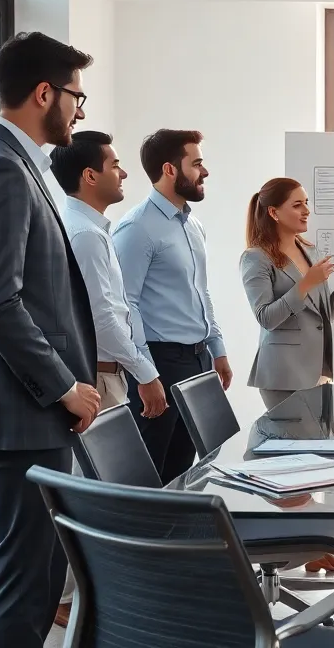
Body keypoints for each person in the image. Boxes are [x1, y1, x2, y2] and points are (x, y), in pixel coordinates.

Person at [0, 31, 100, 648]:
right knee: (27, 579)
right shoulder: (1, 171)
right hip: (21, 413)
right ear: (44, 93)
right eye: (76, 98)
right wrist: (64, 386)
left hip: (17, 413)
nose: (79, 112)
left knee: (17, 572)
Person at [48, 130, 163, 626]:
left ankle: (82, 594)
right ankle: (66, 598)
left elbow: (117, 310)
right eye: (115, 164)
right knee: (89, 490)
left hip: (109, 372)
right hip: (99, 374)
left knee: (100, 489)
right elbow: (104, 319)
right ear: (90, 175)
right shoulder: (85, 233)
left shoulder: (93, 227)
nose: (124, 172)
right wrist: (146, 372)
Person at [239, 177, 334, 572]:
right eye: (297, 205)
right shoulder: (256, 258)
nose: (306, 210)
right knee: (297, 470)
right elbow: (267, 318)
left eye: (306, 203)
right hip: (283, 375)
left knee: (312, 463)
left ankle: (313, 551)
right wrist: (307, 284)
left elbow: (318, 316)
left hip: (315, 371)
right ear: (273, 212)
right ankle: (290, 551)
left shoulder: (306, 251)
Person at [112, 129, 231, 484]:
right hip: (161, 362)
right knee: (148, 474)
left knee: (187, 469)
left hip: (198, 359)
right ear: (169, 169)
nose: (204, 171)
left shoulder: (192, 225)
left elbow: (200, 291)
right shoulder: (137, 228)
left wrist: (217, 349)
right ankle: (140, 539)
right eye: (196, 163)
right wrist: (146, 372)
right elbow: (125, 303)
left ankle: (175, 538)